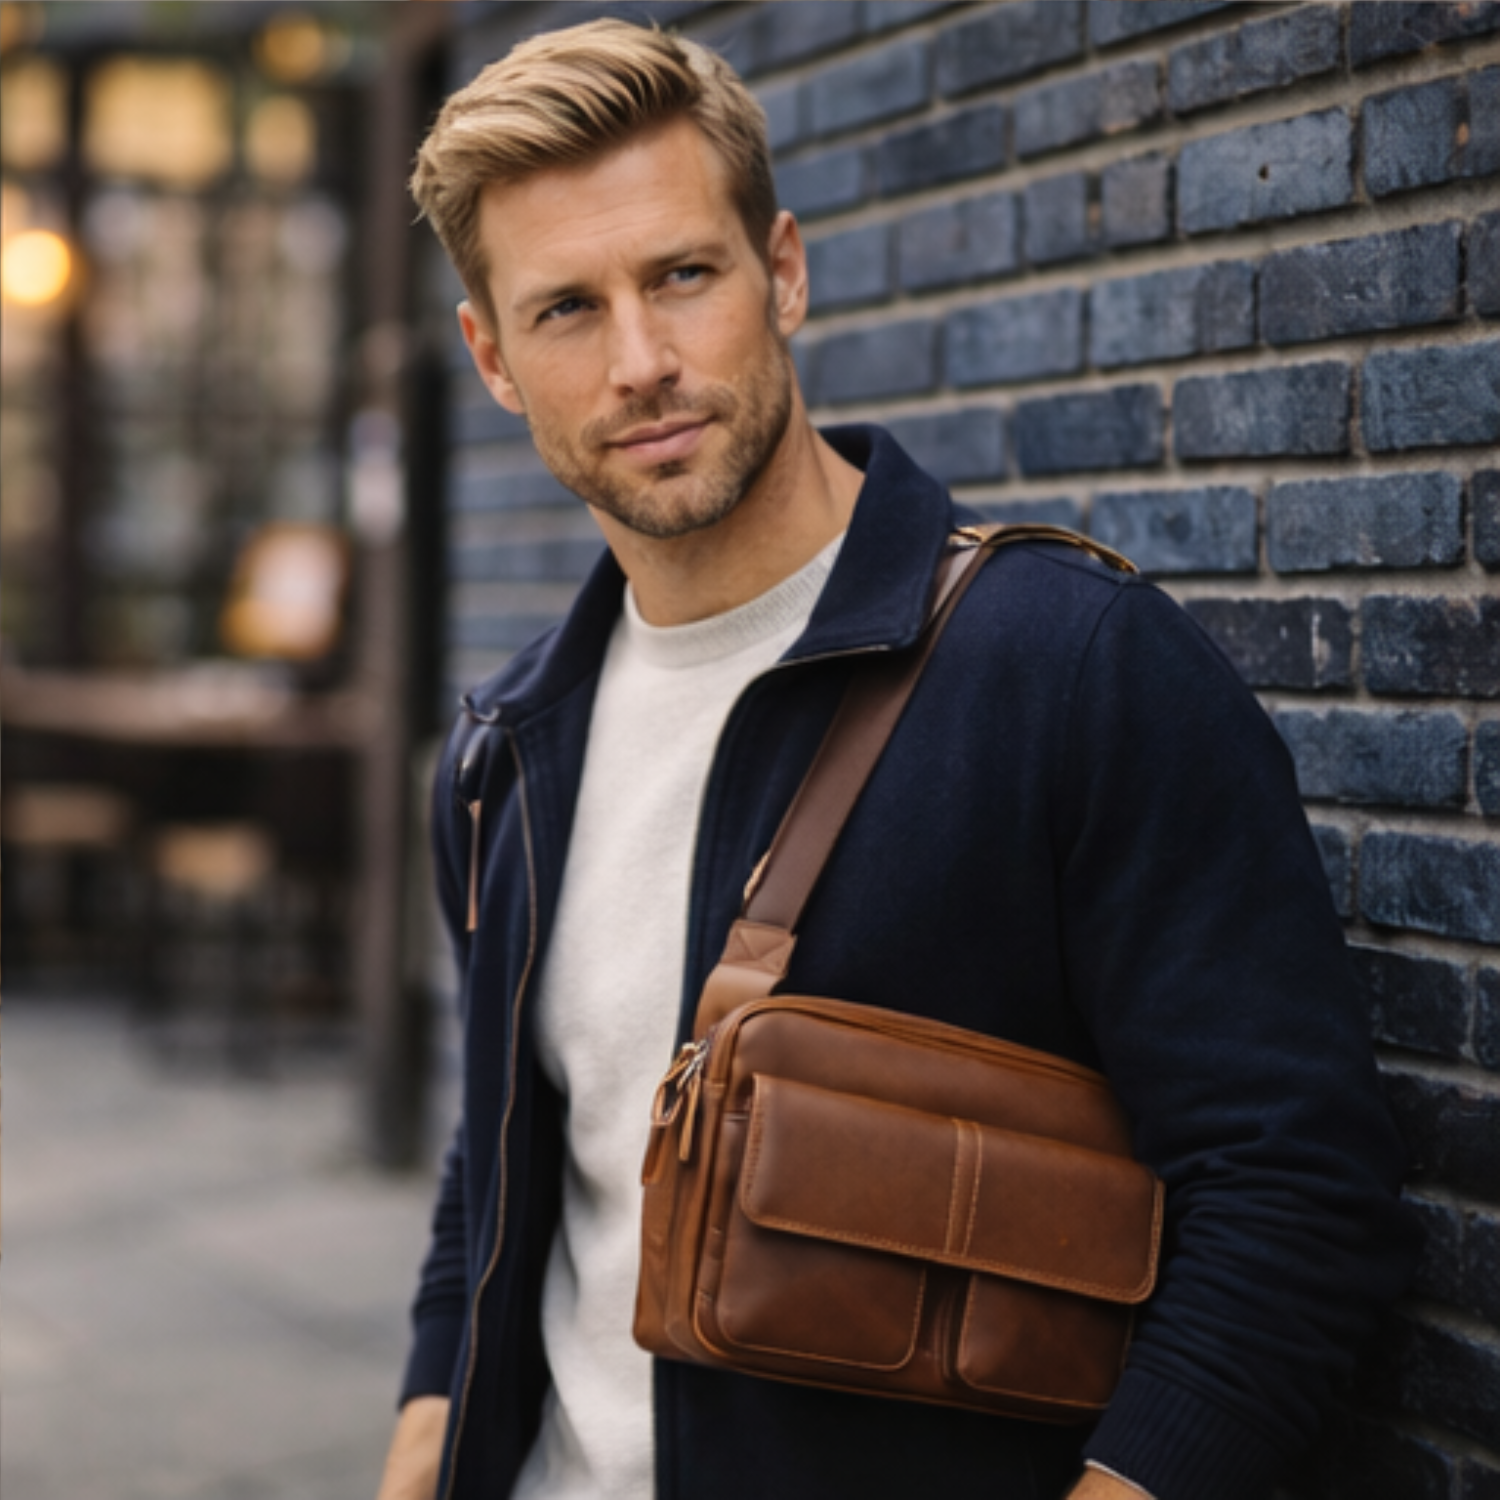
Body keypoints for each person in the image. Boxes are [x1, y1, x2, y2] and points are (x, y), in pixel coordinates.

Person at [377, 20, 1418, 1500]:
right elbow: (506, 1164)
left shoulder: (1070, 668)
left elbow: (1298, 1200)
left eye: (683, 274)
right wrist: (423, 1442)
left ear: (782, 271)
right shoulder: (502, 757)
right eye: (565, 309)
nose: (643, 362)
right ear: (492, 357)